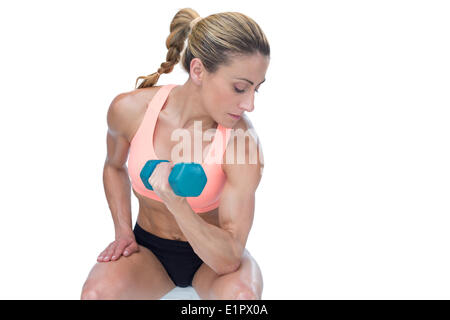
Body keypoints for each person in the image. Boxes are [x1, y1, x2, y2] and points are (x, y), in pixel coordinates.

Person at [81, 8, 270, 300]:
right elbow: (113, 167)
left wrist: (177, 203)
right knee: (96, 295)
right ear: (198, 71)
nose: (249, 105)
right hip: (148, 251)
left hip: (213, 258)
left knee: (241, 299)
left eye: (256, 90)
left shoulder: (242, 143)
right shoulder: (129, 110)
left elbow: (229, 258)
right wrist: (122, 232)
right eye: (239, 88)